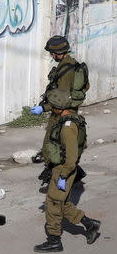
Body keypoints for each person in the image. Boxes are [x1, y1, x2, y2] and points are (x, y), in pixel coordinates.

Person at [34, 89, 100, 253]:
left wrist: (63, 175)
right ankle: (89, 224)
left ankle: (54, 241)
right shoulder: (71, 117)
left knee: (53, 204)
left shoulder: (67, 127)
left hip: (64, 169)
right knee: (61, 203)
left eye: (52, 107)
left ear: (57, 108)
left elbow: (71, 158)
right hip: (62, 168)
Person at [30, 35, 87, 163]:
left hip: (62, 114)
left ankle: (64, 175)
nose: (51, 56)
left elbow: (61, 101)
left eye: (52, 53)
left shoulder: (66, 70)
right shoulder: (72, 64)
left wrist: (43, 108)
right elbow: (85, 87)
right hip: (68, 111)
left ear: (57, 53)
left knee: (55, 148)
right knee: (61, 147)